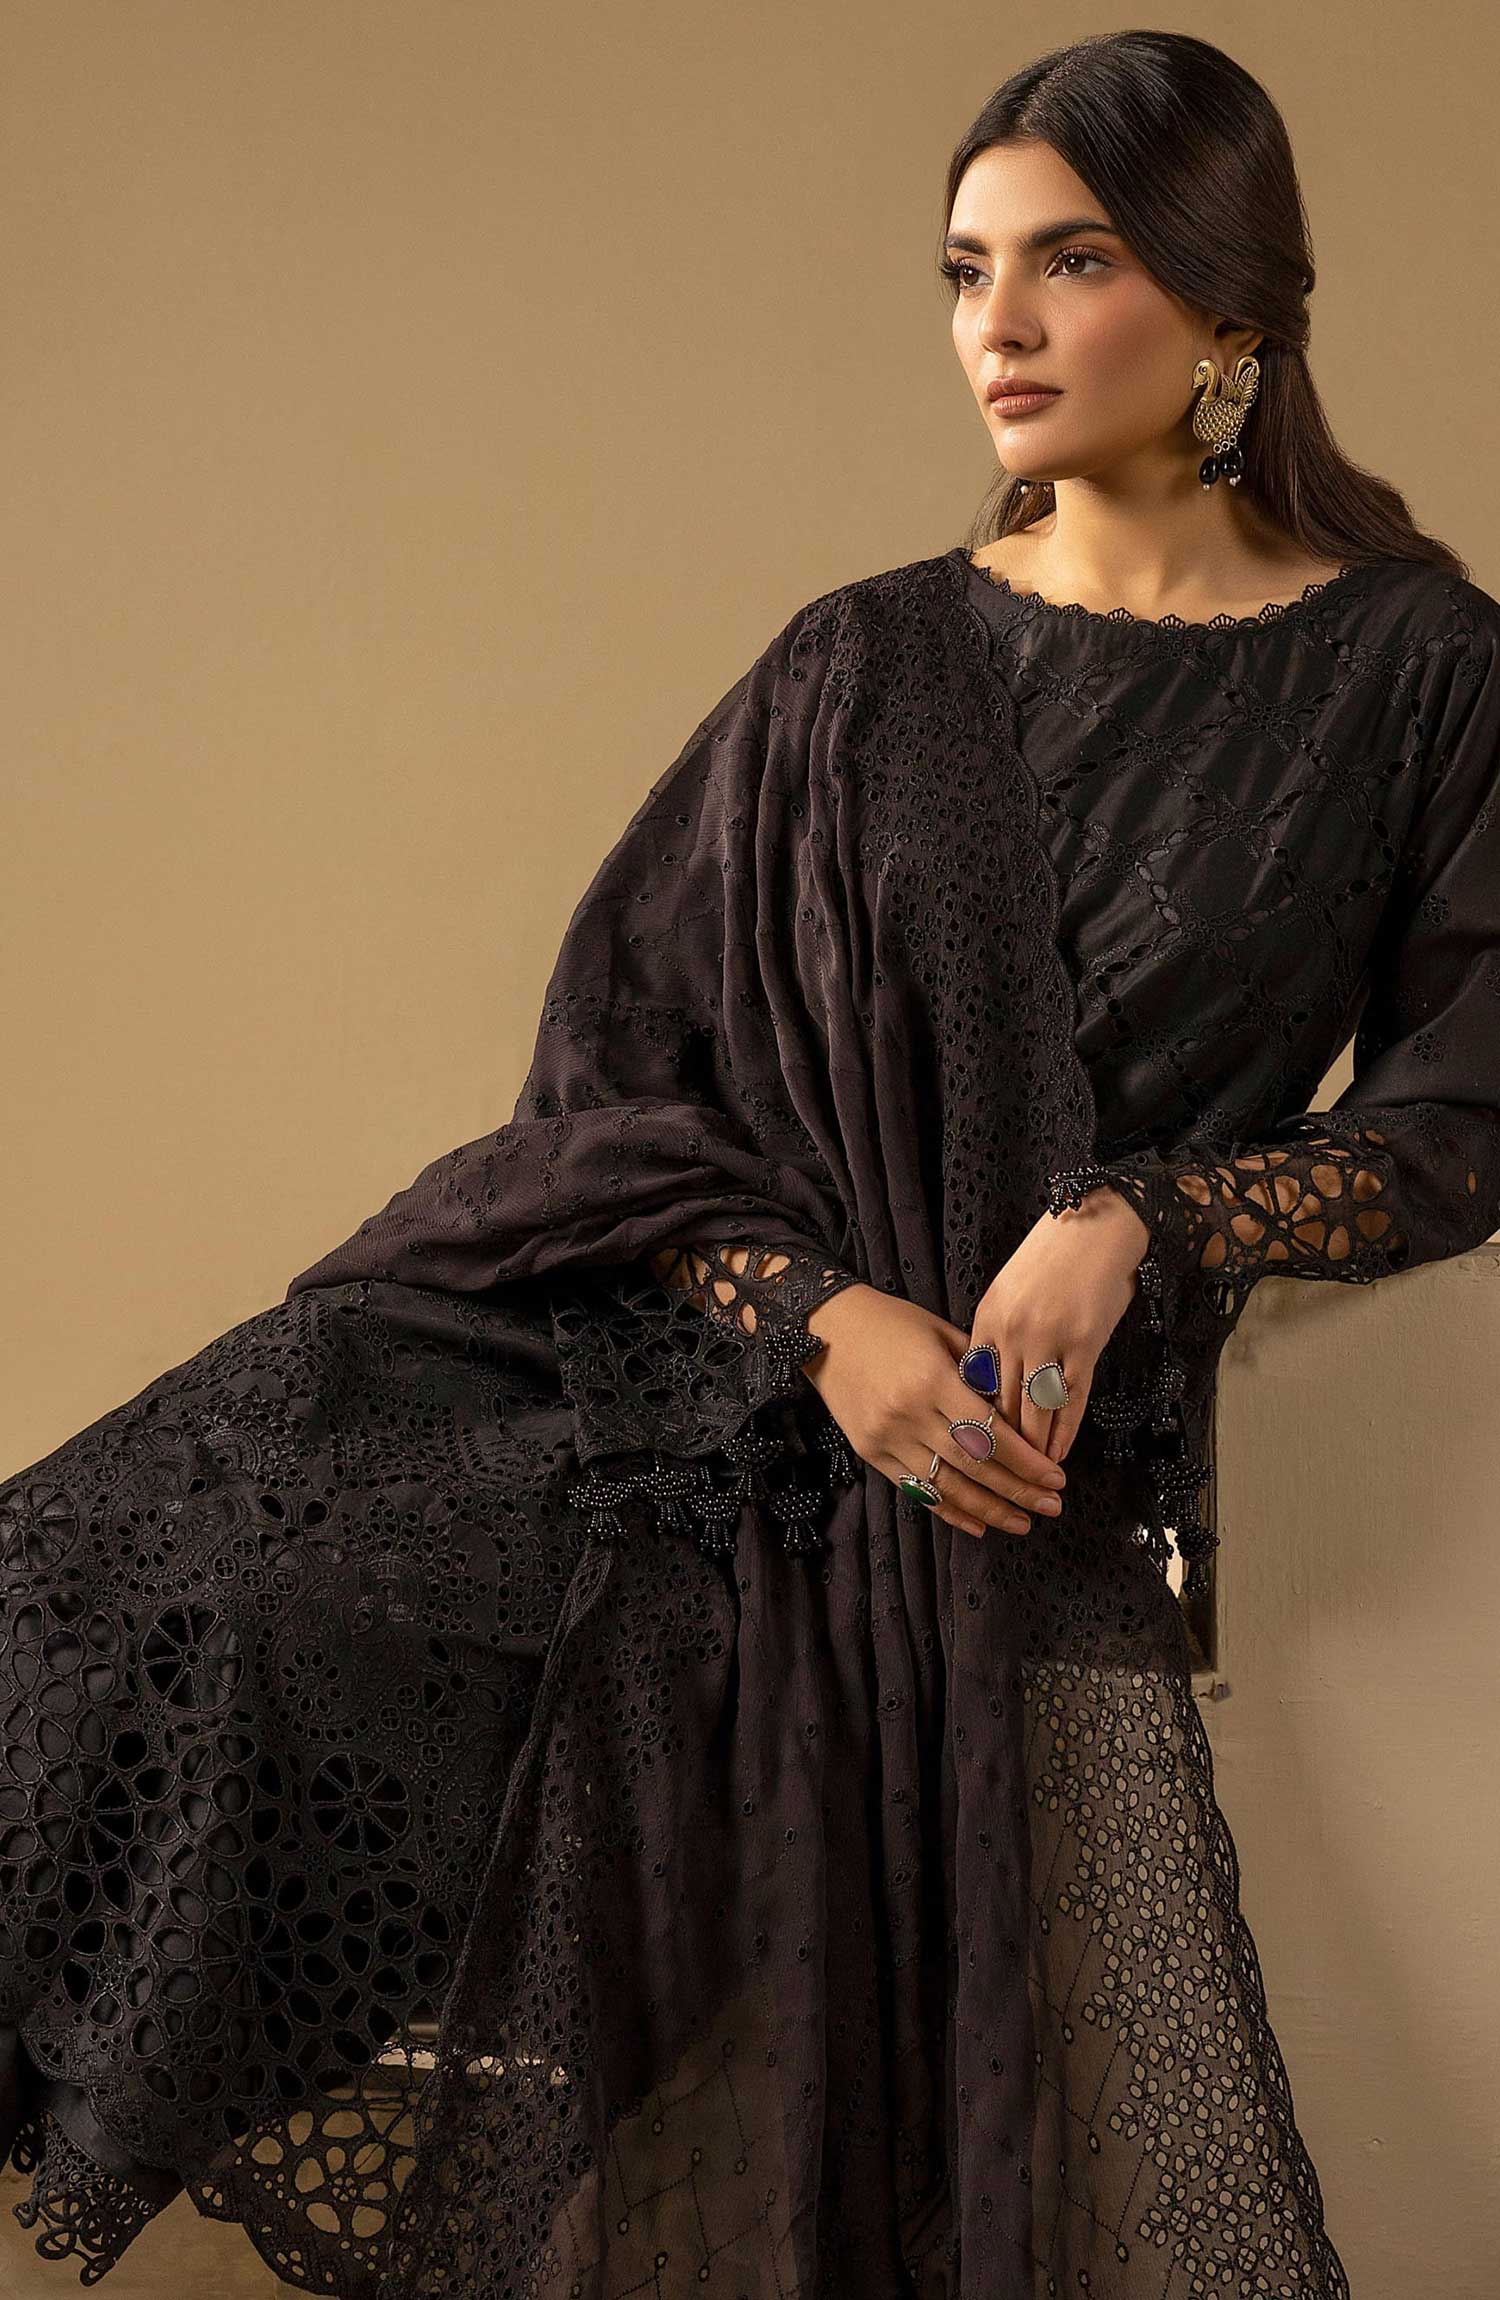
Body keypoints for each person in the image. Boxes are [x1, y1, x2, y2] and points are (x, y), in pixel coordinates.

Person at [3, 27, 1497, 2298]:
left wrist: (1140, 1219)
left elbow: (1462, 1110)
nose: (996, 324)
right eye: (965, 269)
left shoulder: (1418, 669)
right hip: (676, 1363)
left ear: (1229, 304)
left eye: (1071, 261)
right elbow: (617, 1076)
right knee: (122, 1589)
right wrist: (820, 1319)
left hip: (986, 1460)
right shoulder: (859, 665)